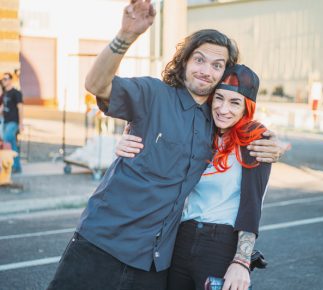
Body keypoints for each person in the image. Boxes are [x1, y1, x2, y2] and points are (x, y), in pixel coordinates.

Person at [47, 2, 283, 289]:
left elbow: (246, 133)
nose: (206, 71)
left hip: (155, 261)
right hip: (103, 244)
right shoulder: (153, 94)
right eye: (199, 59)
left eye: (217, 65)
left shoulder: (216, 121)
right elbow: (96, 85)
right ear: (184, 61)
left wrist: (274, 143)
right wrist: (126, 35)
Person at [117, 64, 271, 290]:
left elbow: (252, 205)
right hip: (180, 238)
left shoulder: (255, 142)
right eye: (219, 98)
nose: (223, 109)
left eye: (234, 102)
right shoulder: (201, 133)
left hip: (220, 244)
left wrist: (241, 261)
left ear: (246, 108)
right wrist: (125, 141)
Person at [1, 72, 23, 173]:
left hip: (13, 122)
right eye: (3, 79)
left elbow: (20, 108)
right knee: (12, 144)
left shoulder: (16, 93)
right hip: (5, 121)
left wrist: (21, 123)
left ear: (10, 80)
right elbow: (2, 107)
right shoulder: (4, 93)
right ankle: (16, 166)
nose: (3, 81)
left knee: (6, 139)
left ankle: (12, 165)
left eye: (5, 79)